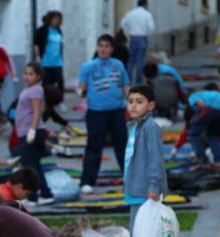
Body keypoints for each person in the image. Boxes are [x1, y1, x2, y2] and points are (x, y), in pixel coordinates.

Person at [118, 85, 167, 237]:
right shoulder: (137, 126)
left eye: (139, 101)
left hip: (144, 191)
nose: (134, 106)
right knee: (150, 235)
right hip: (136, 188)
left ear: (151, 105)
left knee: (141, 236)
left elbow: (156, 161)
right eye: (131, 101)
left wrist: (154, 187)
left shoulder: (150, 128)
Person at [77, 34, 130, 194]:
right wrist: (80, 91)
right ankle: (87, 181)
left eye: (107, 46)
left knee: (123, 146)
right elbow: (81, 87)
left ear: (112, 49)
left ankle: (130, 179)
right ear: (97, 47)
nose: (103, 49)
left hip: (117, 111)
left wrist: (133, 104)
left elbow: (126, 85)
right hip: (96, 112)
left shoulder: (118, 65)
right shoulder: (88, 67)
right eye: (100, 45)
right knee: (94, 146)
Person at [15, 62, 55, 204]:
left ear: (38, 76)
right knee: (34, 166)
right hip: (26, 131)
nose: (27, 76)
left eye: (31, 74)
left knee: (29, 167)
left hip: (30, 132)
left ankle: (33, 196)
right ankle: (45, 193)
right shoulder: (30, 90)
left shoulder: (35, 90)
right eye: (25, 73)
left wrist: (32, 130)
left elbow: (37, 111)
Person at [187, 87, 220, 170]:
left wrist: (197, 120)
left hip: (213, 108)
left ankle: (204, 162)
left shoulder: (192, 96)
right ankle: (219, 162)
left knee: (193, 133)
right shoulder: (208, 93)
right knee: (212, 135)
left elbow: (201, 105)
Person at [120, 0, 155, 83]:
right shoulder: (147, 14)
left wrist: (129, 30)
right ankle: (138, 81)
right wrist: (147, 33)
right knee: (140, 60)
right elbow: (151, 28)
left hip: (133, 37)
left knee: (131, 60)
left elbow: (122, 23)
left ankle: (128, 81)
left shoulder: (131, 13)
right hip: (142, 37)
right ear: (145, 4)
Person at [33, 10, 65, 97]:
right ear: (50, 19)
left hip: (57, 61)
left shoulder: (58, 30)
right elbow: (36, 44)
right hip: (46, 60)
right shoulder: (42, 30)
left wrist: (62, 57)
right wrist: (38, 57)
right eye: (54, 19)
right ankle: (46, 101)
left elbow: (61, 44)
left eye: (58, 19)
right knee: (47, 82)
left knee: (60, 80)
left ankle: (60, 99)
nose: (56, 21)